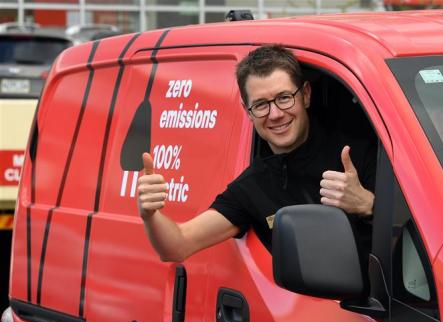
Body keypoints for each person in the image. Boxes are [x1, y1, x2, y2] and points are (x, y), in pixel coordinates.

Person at [138, 44, 375, 262]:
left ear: (305, 95)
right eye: (261, 104)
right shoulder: (254, 186)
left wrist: (368, 204)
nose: (275, 114)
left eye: (284, 98)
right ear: (248, 111)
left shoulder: (360, 153)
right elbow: (178, 245)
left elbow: (409, 228)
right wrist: (150, 215)